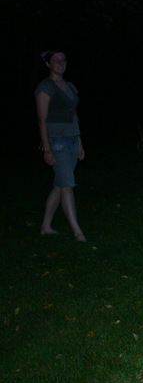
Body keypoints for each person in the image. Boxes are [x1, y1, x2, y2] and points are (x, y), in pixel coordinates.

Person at [35, 50, 87, 242]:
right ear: (48, 64)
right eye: (55, 60)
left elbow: (74, 115)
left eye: (63, 59)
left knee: (60, 184)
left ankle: (46, 227)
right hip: (57, 142)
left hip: (72, 139)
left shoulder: (70, 86)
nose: (60, 62)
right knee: (68, 186)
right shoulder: (45, 87)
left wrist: (79, 142)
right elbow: (42, 120)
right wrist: (47, 148)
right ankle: (77, 232)